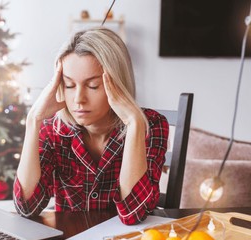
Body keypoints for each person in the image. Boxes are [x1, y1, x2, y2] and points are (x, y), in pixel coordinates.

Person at [13, 27, 169, 225]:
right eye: (69, 85)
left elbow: (133, 214)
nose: (79, 99)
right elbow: (27, 207)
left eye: (93, 86)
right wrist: (33, 119)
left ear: (118, 83)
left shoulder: (151, 125)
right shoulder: (54, 129)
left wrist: (134, 123)